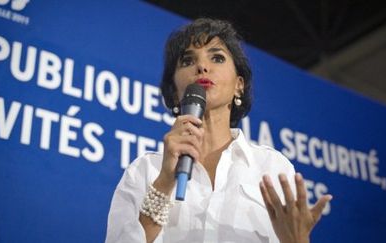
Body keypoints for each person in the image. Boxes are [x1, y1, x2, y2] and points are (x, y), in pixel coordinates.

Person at [105, 18, 332, 243]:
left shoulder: (271, 167)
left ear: (238, 85)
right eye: (187, 61)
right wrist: (164, 182)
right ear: (175, 91)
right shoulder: (145, 170)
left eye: (217, 57)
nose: (202, 67)